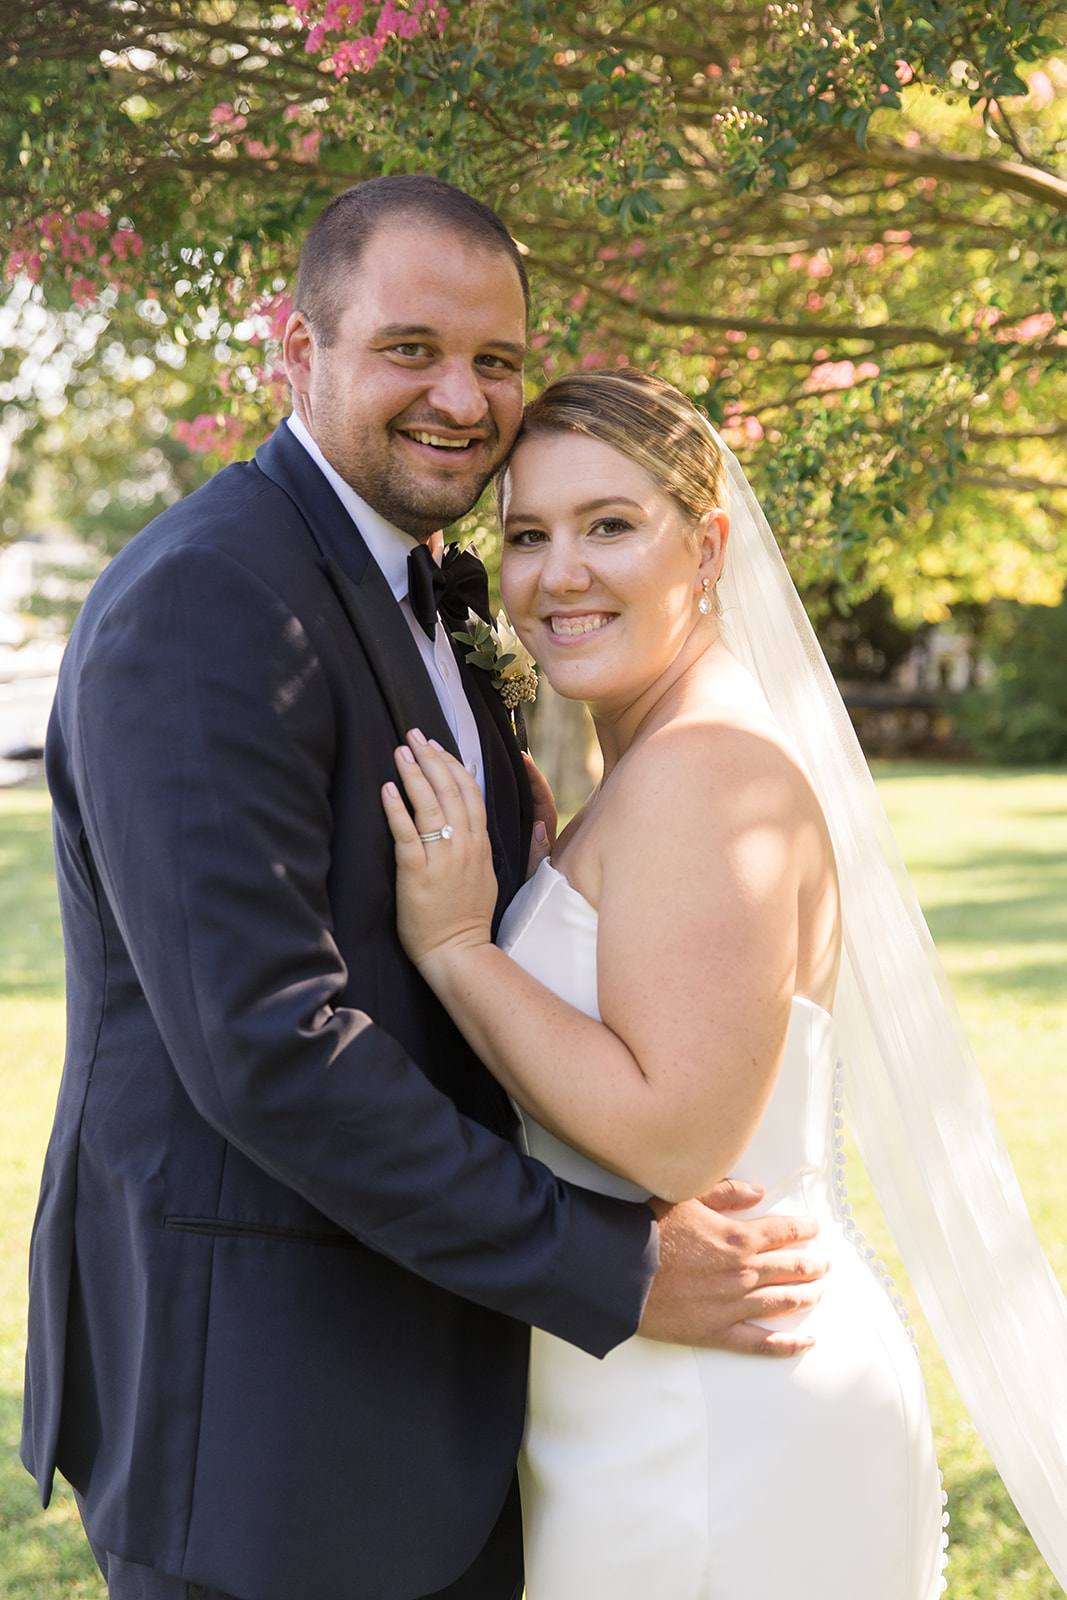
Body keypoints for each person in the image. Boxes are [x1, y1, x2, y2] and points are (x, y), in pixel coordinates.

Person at [21, 179, 830, 1600]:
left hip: (442, 1399)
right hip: (275, 1421)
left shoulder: (428, 590)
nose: (461, 397)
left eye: (495, 360)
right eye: (410, 349)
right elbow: (269, 1045)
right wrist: (610, 1267)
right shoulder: (213, 602)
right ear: (296, 349)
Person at [382, 368, 1067, 1598]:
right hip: (649, 1398)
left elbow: (672, 1135)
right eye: (527, 534)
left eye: (608, 525)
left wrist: (458, 949)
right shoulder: (657, 765)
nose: (556, 573)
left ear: (704, 547)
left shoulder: (709, 773)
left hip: (720, 1420)